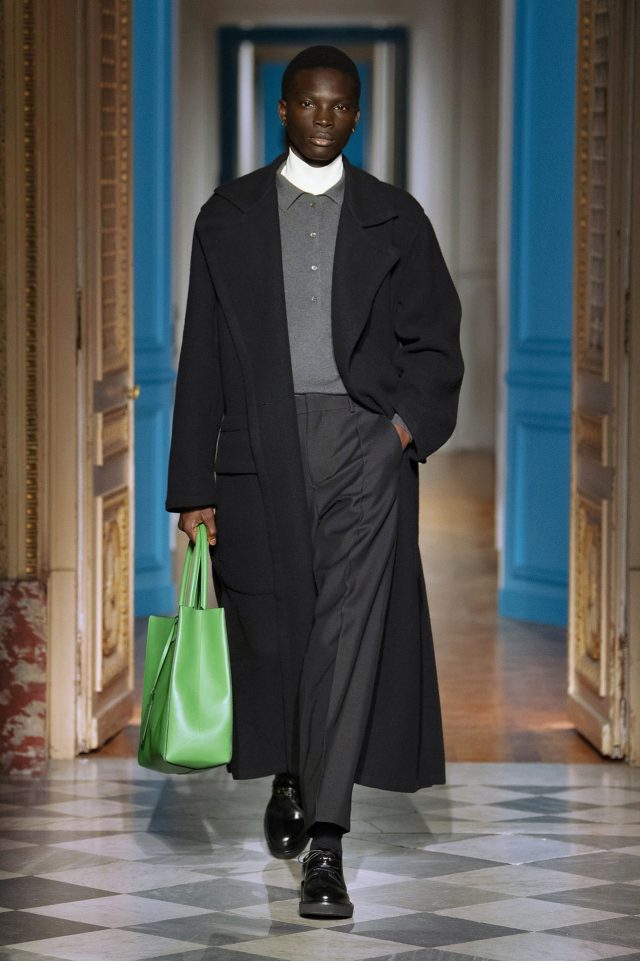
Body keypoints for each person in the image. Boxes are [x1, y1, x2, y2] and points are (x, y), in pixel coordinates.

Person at [166, 45, 463, 919]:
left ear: (357, 115)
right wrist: (192, 486)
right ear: (284, 109)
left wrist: (398, 431)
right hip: (256, 450)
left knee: (350, 631)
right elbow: (201, 354)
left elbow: (436, 342)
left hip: (364, 447)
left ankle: (326, 844)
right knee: (276, 631)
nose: (324, 119)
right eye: (309, 103)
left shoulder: (396, 218)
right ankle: (292, 770)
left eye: (340, 106)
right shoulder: (227, 216)